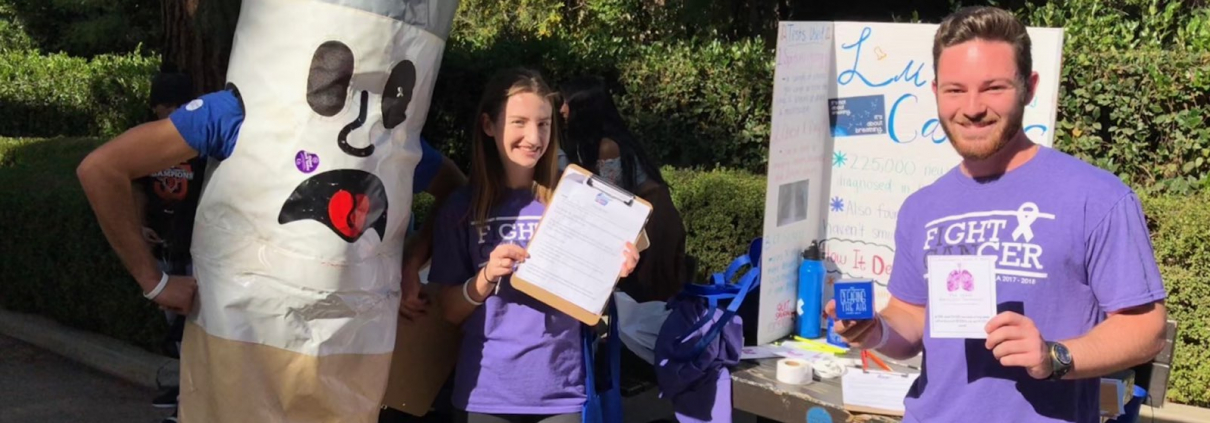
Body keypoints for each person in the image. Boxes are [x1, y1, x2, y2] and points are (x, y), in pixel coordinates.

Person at [825, 6, 1168, 423]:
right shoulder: (922, 207)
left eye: (993, 88)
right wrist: (875, 330)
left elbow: (1146, 328)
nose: (972, 107)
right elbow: (912, 318)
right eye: (955, 90)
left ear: (1029, 87)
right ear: (935, 91)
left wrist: (1056, 356)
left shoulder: (1096, 197)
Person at [429, 67, 640, 423]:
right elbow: (446, 310)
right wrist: (485, 278)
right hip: (486, 394)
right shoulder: (461, 207)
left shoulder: (573, 198)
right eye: (519, 122)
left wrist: (614, 270)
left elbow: (589, 297)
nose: (533, 136)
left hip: (560, 394)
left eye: (543, 124)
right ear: (488, 125)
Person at [558, 76, 688, 303]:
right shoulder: (596, 143)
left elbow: (605, 199)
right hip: (649, 219)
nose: (562, 109)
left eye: (566, 102)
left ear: (583, 107)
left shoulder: (606, 146)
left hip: (652, 224)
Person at [132, 71, 198, 423]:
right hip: (164, 248)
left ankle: (189, 402)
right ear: (155, 107)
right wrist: (141, 224)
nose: (172, 114)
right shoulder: (148, 140)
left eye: (180, 106)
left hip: (194, 247)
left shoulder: (200, 140)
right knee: (175, 327)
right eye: (166, 106)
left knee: (193, 327)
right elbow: (137, 186)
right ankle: (183, 393)